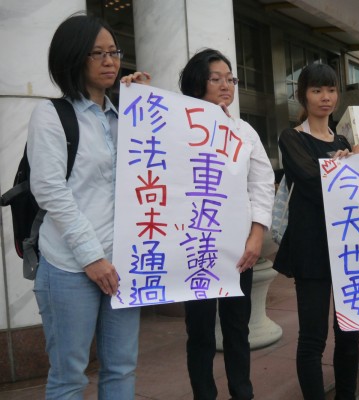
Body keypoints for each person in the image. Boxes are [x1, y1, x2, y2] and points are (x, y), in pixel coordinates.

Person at [28, 14, 151, 399]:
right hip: (70, 265)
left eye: (113, 51)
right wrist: (91, 257)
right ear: (74, 58)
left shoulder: (125, 114)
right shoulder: (51, 115)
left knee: (121, 369)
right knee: (69, 378)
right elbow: (51, 193)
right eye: (97, 53)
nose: (110, 61)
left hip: (123, 264)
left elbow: (160, 169)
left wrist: (146, 103)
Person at [179, 48, 275, 400]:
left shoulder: (244, 130)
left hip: (239, 249)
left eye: (230, 79)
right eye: (215, 78)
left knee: (237, 328)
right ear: (196, 83)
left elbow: (262, 184)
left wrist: (256, 236)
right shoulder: (179, 127)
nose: (226, 85)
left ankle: (242, 393)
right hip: (195, 247)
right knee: (201, 332)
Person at [273, 63, 359, 399]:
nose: (325, 97)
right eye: (316, 90)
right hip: (311, 248)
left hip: (346, 249)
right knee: (312, 338)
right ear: (303, 95)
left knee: (349, 333)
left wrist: (355, 160)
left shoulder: (344, 141)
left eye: (330, 90)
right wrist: (345, 164)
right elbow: (312, 182)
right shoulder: (291, 138)